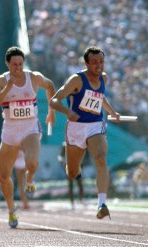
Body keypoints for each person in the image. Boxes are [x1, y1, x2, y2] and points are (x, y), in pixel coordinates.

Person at [0, 46, 55, 228]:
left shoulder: (33, 77)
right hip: (9, 130)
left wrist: (51, 111)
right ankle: (11, 210)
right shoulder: (1, 81)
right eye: (14, 64)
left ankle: (30, 177)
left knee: (32, 162)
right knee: (3, 176)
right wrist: (7, 89)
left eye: (20, 64)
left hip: (29, 127)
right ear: (7, 64)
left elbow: (50, 86)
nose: (18, 67)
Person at [49, 46, 121, 220]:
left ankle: (102, 204)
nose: (99, 65)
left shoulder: (104, 78)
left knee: (101, 158)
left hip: (95, 125)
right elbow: (54, 100)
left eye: (101, 62)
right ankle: (73, 167)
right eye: (94, 62)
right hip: (76, 128)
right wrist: (68, 112)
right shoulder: (76, 80)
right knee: (73, 173)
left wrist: (112, 112)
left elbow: (99, 97)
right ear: (87, 63)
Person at [57, 141, 84, 208]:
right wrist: (62, 161)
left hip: (77, 166)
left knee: (80, 184)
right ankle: (72, 202)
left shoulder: (77, 143)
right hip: (69, 167)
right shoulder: (65, 144)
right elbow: (60, 156)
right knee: (71, 185)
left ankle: (81, 200)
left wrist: (81, 162)